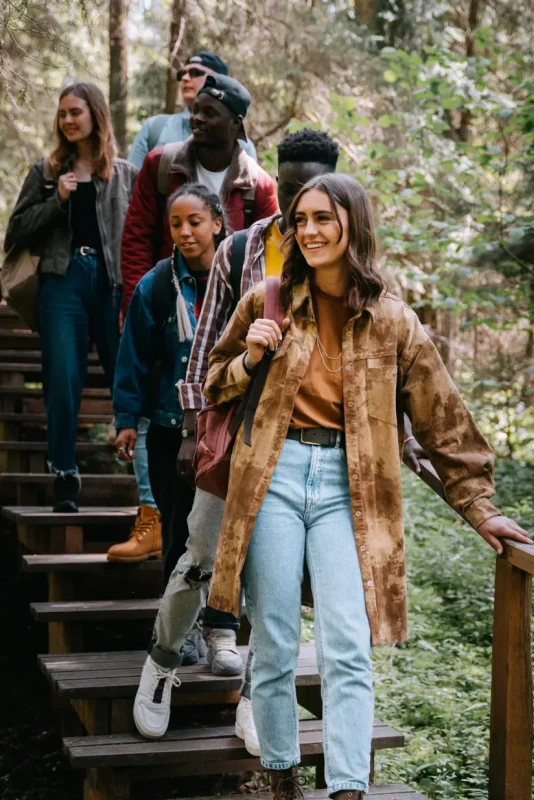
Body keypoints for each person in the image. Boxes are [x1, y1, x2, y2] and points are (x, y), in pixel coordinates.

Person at [203, 174, 533, 800]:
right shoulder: (268, 300)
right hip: (270, 479)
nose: (310, 231)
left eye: (324, 218)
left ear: (352, 224)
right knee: (272, 644)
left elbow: (444, 419)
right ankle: (282, 780)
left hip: (348, 488)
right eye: (300, 220)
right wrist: (250, 357)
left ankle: (348, 789)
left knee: (347, 647)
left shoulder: (392, 322)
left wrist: (479, 506)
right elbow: (213, 382)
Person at [131, 130, 342, 748]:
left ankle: (257, 697)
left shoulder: (342, 258)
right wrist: (195, 432)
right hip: (236, 428)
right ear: (279, 179)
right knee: (198, 560)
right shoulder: (245, 248)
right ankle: (161, 664)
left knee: (278, 582)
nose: (303, 200)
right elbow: (205, 350)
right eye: (293, 184)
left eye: (316, 187)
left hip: (303, 444)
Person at [4, 83, 137, 512]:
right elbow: (16, 231)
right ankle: (64, 474)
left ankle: (145, 479)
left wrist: (133, 293)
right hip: (62, 282)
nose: (67, 120)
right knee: (62, 377)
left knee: (127, 377)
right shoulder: (44, 173)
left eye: (75, 112)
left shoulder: (124, 174)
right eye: (62, 113)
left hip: (113, 286)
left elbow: (138, 238)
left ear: (95, 115)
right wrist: (57, 200)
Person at [110, 184, 225, 594]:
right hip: (169, 429)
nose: (185, 232)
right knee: (177, 531)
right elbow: (134, 357)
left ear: (217, 222)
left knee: (225, 534)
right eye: (175, 224)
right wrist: (126, 420)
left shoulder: (241, 280)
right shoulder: (156, 285)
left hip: (227, 429)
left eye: (195, 221)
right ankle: (178, 631)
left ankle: (220, 627)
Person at [120, 73, 278, 318]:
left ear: (235, 123)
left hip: (230, 313)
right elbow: (136, 239)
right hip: (166, 305)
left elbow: (269, 258)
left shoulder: (259, 185)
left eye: (210, 113)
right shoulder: (160, 165)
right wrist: (138, 305)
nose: (197, 119)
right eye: (195, 111)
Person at [127, 51, 257, 169]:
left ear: (219, 80)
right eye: (182, 74)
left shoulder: (243, 147)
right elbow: (131, 182)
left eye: (195, 73)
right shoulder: (154, 127)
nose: (185, 78)